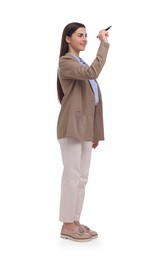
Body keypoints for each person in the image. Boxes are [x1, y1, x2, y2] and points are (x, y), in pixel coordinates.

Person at [56, 22, 110, 242]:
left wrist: (95, 132)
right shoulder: (66, 62)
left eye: (86, 35)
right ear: (68, 39)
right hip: (71, 127)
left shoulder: (80, 62)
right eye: (80, 35)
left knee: (81, 177)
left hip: (85, 129)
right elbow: (92, 72)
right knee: (72, 175)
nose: (85, 38)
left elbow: (93, 101)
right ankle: (67, 224)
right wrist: (104, 45)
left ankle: (74, 221)